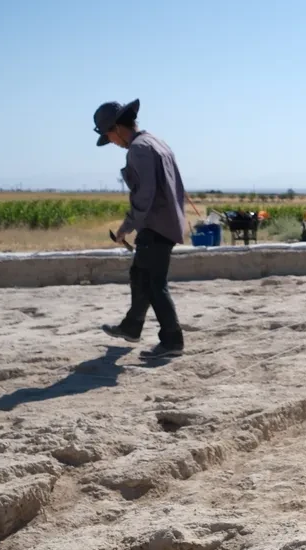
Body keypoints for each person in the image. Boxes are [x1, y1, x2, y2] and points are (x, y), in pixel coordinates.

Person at [94, 99, 187, 359]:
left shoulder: (138, 149)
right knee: (140, 275)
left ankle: (172, 340)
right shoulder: (156, 142)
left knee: (154, 283)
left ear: (117, 127)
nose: (111, 141)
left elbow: (145, 195)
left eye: (108, 135)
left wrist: (126, 227)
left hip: (155, 225)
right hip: (166, 222)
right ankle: (132, 326)